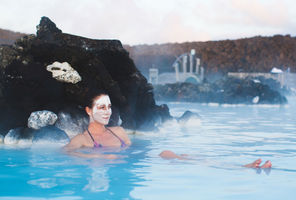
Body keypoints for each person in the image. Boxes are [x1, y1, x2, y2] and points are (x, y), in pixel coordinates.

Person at [64, 91, 131, 159]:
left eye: (109, 107)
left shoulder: (119, 131)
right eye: (102, 107)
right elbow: (64, 151)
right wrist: (98, 156)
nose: (107, 111)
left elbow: (131, 151)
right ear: (89, 111)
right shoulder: (82, 139)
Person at [159, 150, 272, 168]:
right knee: (223, 165)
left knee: (222, 165)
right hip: (192, 162)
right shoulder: (165, 153)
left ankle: (248, 166)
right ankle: (248, 166)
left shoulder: (180, 155)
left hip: (191, 161)